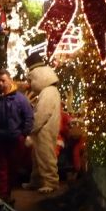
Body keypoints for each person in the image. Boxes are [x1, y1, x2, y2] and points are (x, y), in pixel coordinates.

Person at [0, 69, 33, 203]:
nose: (1, 83)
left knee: (13, 167)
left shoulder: (19, 98)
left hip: (15, 137)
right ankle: (3, 194)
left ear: (9, 80)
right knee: (1, 167)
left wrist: (24, 133)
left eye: (3, 80)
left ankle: (7, 192)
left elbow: (28, 116)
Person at [23, 53, 62, 194]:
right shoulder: (48, 92)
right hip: (42, 130)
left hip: (44, 129)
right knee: (37, 156)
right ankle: (37, 180)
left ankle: (51, 181)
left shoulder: (48, 93)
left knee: (46, 155)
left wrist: (30, 127)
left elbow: (41, 115)